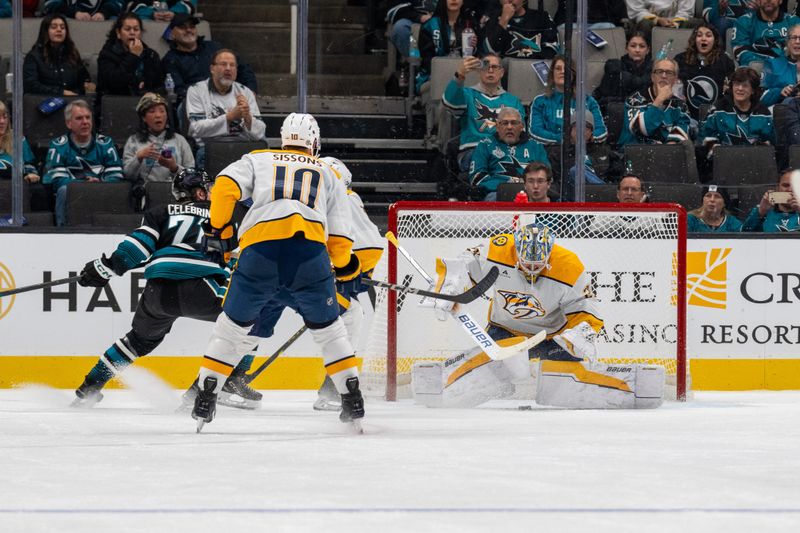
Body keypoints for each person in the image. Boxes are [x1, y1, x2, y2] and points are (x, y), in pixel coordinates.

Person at [189, 113, 365, 431]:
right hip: (308, 255)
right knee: (331, 333)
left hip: (260, 251)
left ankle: (206, 396)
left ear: (283, 137)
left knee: (230, 330)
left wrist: (218, 227)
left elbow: (225, 186)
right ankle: (352, 400)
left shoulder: (259, 159)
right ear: (314, 141)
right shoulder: (328, 172)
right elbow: (339, 239)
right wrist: (345, 266)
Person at [413, 216, 664, 409]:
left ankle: (629, 387)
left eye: (537, 264)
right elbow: (462, 262)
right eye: (526, 263)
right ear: (516, 253)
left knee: (560, 380)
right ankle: (437, 385)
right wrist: (447, 288)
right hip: (505, 330)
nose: (531, 269)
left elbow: (587, 311)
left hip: (552, 337)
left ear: (549, 256)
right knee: (505, 369)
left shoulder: (569, 266)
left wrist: (580, 336)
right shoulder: (498, 250)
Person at [71, 168, 263, 408]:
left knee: (137, 342)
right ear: (201, 192)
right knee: (251, 321)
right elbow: (243, 259)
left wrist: (107, 267)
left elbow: (135, 251)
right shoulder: (226, 215)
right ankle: (221, 383)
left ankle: (89, 388)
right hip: (202, 287)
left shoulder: (160, 213)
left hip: (158, 290)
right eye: (210, 189)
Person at [313, 156, 384, 411]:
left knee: (353, 315)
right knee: (351, 316)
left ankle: (332, 388)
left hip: (356, 268)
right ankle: (333, 388)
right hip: (346, 269)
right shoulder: (337, 197)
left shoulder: (343, 197)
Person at [42, 99, 123, 226]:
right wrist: (84, 184)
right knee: (63, 190)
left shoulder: (105, 143)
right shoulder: (58, 145)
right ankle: (62, 231)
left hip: (102, 192)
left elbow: (116, 176)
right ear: (69, 123)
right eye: (79, 118)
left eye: (88, 117)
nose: (85, 122)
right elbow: (57, 180)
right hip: (73, 196)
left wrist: (100, 184)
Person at [443, 52, 526, 172]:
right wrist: (460, 75)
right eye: (486, 66)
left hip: (505, 152)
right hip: (473, 151)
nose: (490, 70)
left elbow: (520, 134)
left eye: (495, 67)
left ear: (501, 72)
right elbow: (449, 104)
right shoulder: (467, 94)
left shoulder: (513, 101)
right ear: (479, 71)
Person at [186, 48, 266, 168]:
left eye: (232, 65)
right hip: (211, 149)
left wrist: (248, 117)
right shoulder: (196, 90)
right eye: (223, 64)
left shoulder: (245, 92)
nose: (228, 68)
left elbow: (260, 133)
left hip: (242, 148)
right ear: (212, 69)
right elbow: (196, 129)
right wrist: (229, 117)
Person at [697, 67, 774, 180]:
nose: (739, 89)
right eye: (736, 84)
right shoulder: (717, 110)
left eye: (745, 85)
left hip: (753, 172)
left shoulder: (763, 114)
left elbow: (769, 147)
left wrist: (747, 161)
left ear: (753, 90)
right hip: (720, 171)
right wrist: (727, 159)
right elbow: (705, 140)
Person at [161, 13, 258, 103]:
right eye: (183, 27)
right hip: (196, 103)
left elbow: (243, 69)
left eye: (192, 26)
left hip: (229, 98)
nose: (189, 30)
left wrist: (250, 90)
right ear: (172, 34)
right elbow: (178, 90)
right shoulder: (170, 60)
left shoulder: (215, 48)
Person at [123, 92, 194, 208]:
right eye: (152, 111)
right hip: (148, 199)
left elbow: (192, 176)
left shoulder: (179, 140)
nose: (158, 115)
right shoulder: (133, 141)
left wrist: (174, 167)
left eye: (162, 111)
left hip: (177, 197)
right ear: (144, 118)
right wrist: (139, 157)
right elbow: (128, 175)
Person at [468, 106, 550, 200]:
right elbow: (476, 177)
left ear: (522, 126)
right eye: (504, 123)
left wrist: (529, 187)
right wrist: (503, 187)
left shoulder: (535, 146)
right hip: (497, 193)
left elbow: (547, 175)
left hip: (531, 194)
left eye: (514, 123)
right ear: (497, 127)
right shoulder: (485, 145)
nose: (509, 127)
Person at [528, 55, 607, 145]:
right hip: (549, 154)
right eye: (558, 68)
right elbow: (535, 132)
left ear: (573, 74)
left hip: (583, 153)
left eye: (566, 68)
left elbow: (601, 132)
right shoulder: (540, 102)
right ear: (552, 74)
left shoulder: (588, 101)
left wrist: (585, 138)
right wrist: (565, 140)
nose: (562, 72)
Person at [546, 111, 622, 201]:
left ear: (591, 132)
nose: (581, 131)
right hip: (570, 197)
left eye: (586, 127)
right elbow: (554, 181)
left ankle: (604, 192)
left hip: (598, 197)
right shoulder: (559, 153)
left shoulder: (604, 151)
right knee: (577, 171)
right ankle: (605, 192)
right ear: (570, 130)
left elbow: (616, 176)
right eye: (576, 127)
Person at [618, 58, 692, 146]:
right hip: (635, 152)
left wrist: (669, 149)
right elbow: (641, 130)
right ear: (652, 77)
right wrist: (659, 100)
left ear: (675, 79)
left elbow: (681, 131)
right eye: (659, 71)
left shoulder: (680, 104)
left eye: (669, 73)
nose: (664, 76)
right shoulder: (635, 99)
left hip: (665, 154)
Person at [674, 23, 735, 122]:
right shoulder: (680, 59)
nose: (703, 39)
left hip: (715, 117)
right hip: (685, 116)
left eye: (708, 35)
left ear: (715, 40)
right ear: (694, 39)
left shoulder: (725, 61)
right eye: (699, 35)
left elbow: (731, 89)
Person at [23, 14, 96, 96]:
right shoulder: (34, 56)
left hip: (72, 100)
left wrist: (80, 90)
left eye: (62, 27)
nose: (59, 30)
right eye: (54, 27)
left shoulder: (72, 54)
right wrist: (61, 92)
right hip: (44, 101)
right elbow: (31, 85)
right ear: (45, 31)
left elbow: (83, 79)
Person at [97, 12, 165, 96]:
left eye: (136, 29)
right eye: (127, 29)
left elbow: (160, 86)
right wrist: (133, 56)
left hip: (146, 102)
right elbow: (114, 83)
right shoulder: (107, 54)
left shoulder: (151, 55)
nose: (132, 33)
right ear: (118, 33)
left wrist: (151, 94)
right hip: (116, 101)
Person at [593, 30, 653, 114]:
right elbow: (604, 96)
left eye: (642, 46)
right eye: (633, 46)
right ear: (626, 48)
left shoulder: (654, 69)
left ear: (648, 50)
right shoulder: (615, 67)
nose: (637, 50)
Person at [483, 0, 558, 59]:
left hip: (537, 65)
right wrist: (503, 20)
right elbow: (490, 52)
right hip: (505, 70)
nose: (510, 0)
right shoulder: (493, 20)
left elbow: (552, 48)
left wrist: (528, 60)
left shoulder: (542, 17)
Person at [732, 0, 799, 66]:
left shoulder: (794, 21)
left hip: (789, 69)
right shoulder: (744, 22)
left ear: (780, 1)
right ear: (758, 1)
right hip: (756, 70)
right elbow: (740, 51)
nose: (768, 0)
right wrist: (765, 64)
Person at [760, 23, 800, 106]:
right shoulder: (773, 64)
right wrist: (780, 92)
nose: (797, 41)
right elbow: (762, 98)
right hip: (783, 111)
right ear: (788, 42)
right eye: (794, 38)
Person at [0, 101, 40, 183]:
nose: (2, 122)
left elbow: (29, 164)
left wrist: (30, 174)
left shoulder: (17, 138)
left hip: (16, 185)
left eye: (5, 117)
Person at [626, 0, 703, 39]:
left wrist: (675, 22)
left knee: (697, 23)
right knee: (645, 24)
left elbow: (686, 10)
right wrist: (658, 20)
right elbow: (636, 11)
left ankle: (685, 57)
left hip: (677, 20)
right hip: (650, 21)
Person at [44, 0, 124, 20]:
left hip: (99, 21)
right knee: (55, 21)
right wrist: (75, 13)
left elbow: (117, 3)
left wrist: (103, 13)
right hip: (68, 19)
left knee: (114, 21)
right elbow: (51, 4)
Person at [126, 0, 197, 21]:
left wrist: (175, 13)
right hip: (145, 30)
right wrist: (151, 14)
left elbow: (189, 4)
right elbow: (130, 5)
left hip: (176, 27)